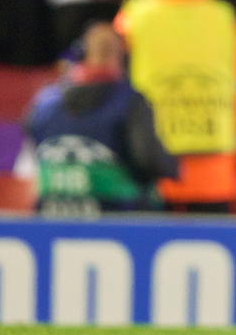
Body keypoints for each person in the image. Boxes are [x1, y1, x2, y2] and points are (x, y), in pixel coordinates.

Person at [115, 0, 236, 212]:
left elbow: (115, 91)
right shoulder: (224, 19)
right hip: (215, 171)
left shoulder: (132, 18)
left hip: (152, 172)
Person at [25, 22, 178, 214]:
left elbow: (30, 159)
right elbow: (151, 160)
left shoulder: (44, 103)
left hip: (50, 219)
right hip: (121, 222)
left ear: (80, 54)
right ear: (123, 57)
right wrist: (173, 166)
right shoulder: (130, 101)